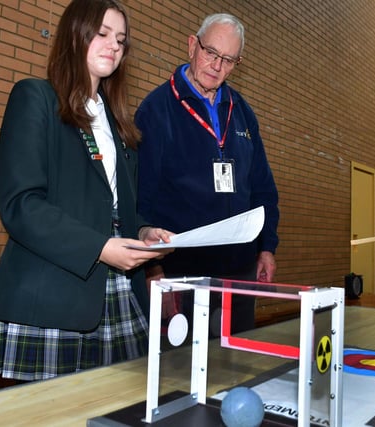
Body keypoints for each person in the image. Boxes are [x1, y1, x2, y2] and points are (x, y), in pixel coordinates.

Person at [0, 0, 173, 382]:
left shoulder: (119, 125)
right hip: (54, 298)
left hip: (118, 295)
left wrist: (143, 231)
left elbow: (114, 206)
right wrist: (100, 248)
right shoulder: (36, 98)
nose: (114, 45)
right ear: (75, 35)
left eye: (121, 40)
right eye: (103, 34)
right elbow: (21, 205)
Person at [135, 13, 279, 334]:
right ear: (192, 45)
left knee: (235, 363)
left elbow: (263, 188)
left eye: (228, 60)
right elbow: (140, 196)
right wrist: (152, 267)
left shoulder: (242, 112)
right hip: (180, 273)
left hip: (238, 271)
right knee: (179, 372)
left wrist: (266, 247)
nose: (217, 66)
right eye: (211, 53)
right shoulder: (156, 109)